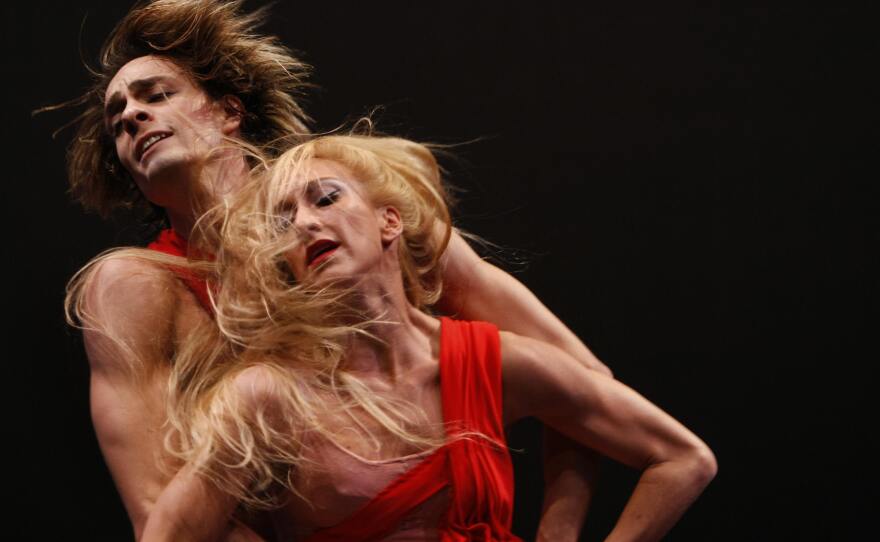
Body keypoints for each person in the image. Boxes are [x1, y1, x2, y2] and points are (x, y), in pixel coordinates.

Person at [61, 0, 612, 539]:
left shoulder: (357, 217)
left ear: (229, 112)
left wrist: (558, 532)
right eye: (117, 122)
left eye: (156, 95)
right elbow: (157, 514)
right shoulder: (135, 288)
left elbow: (588, 387)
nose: (132, 115)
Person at [137, 134, 716, 541]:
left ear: (390, 221)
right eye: (284, 222)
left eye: (326, 197)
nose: (307, 224)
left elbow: (684, 459)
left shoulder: (492, 362)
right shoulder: (270, 395)